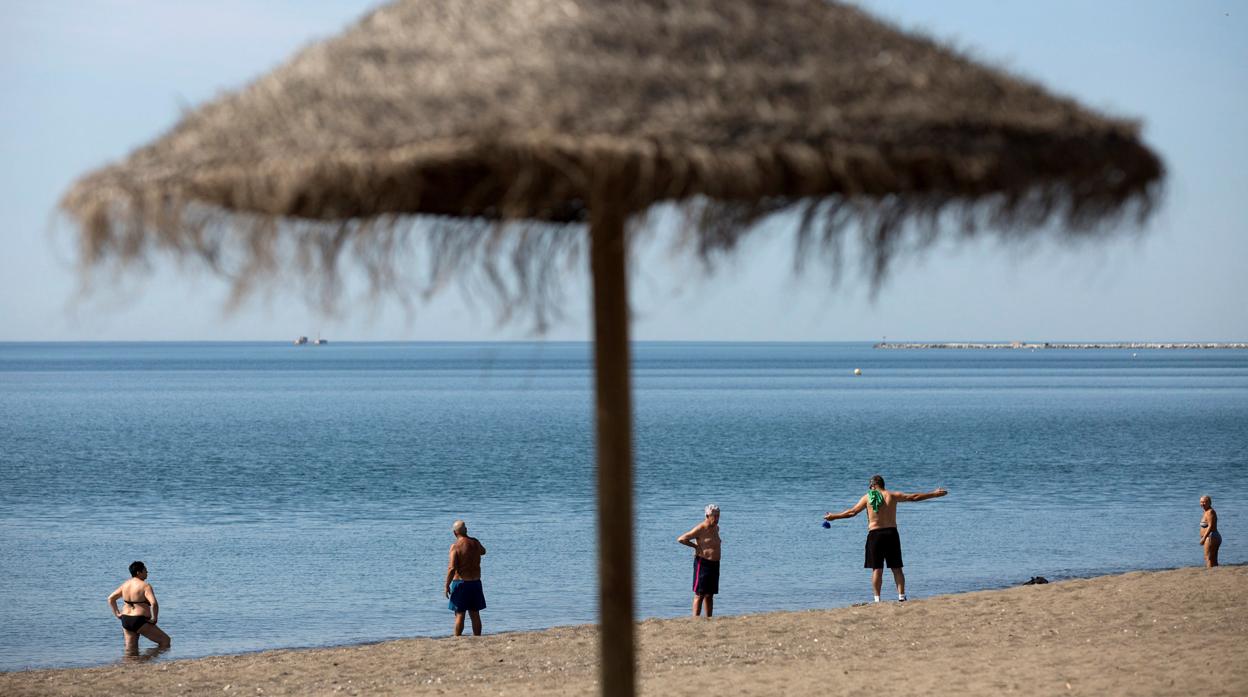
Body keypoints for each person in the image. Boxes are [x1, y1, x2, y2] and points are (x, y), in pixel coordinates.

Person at [824, 475, 947, 602]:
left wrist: (834, 517)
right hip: (891, 534)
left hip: (875, 535)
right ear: (883, 485)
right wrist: (933, 494)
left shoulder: (867, 498)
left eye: (870, 487)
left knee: (877, 568)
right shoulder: (892, 495)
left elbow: (852, 512)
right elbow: (913, 497)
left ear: (873, 485)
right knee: (896, 567)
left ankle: (877, 599)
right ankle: (901, 596)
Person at [107, 561, 171, 653]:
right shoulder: (145, 586)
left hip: (125, 619)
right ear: (138, 572)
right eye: (145, 570)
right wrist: (154, 618)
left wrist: (117, 613)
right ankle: (147, 659)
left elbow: (111, 598)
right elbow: (154, 604)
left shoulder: (125, 585)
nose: (147, 572)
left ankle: (132, 665)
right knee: (165, 641)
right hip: (139, 620)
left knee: (131, 648)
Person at [677, 504, 721, 617]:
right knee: (700, 594)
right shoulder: (700, 528)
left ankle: (709, 618)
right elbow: (681, 539)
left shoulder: (716, 527)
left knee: (710, 595)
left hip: (715, 564)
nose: (716, 518)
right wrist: (695, 547)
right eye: (714, 516)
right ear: (707, 516)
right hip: (703, 564)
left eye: (718, 516)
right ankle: (695, 620)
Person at [444, 519, 487, 636]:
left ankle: (457, 638)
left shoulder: (455, 546)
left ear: (454, 533)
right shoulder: (475, 542)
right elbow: (483, 552)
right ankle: (477, 637)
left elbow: (452, 568)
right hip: (476, 583)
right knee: (475, 614)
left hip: (461, 583)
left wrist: (446, 585)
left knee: (459, 614)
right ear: (466, 530)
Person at [1199, 495, 1221, 567]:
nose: (1202, 504)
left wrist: (1204, 538)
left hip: (1211, 536)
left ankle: (1209, 573)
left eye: (1205, 502)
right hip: (1212, 536)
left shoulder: (1210, 512)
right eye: (1201, 502)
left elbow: (1210, 526)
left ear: (1210, 503)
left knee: (1207, 557)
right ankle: (1215, 573)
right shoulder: (1206, 511)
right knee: (1213, 559)